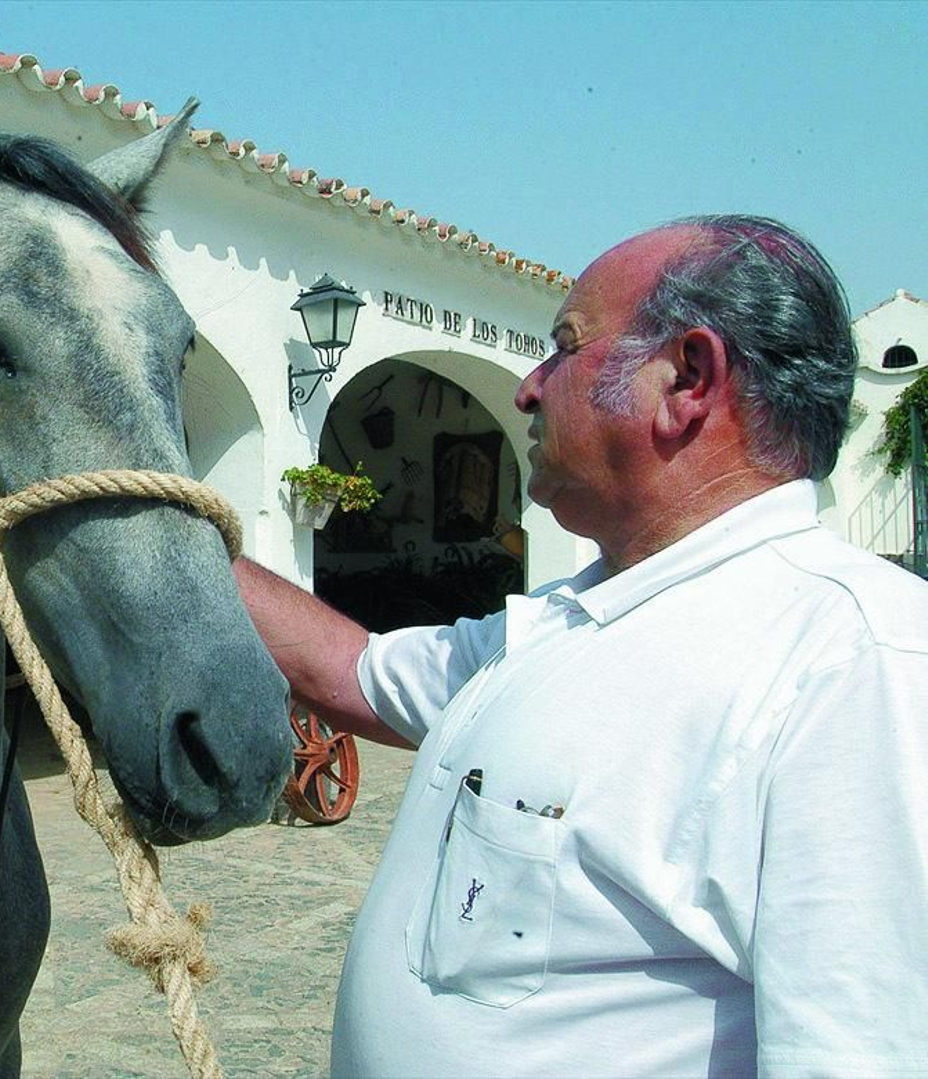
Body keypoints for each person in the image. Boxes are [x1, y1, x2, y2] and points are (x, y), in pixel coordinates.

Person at [238, 215, 928, 1076]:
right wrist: (151, 525)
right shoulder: (566, 618)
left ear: (688, 379)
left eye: (563, 347)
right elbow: (353, 671)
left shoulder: (855, 664)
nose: (528, 388)